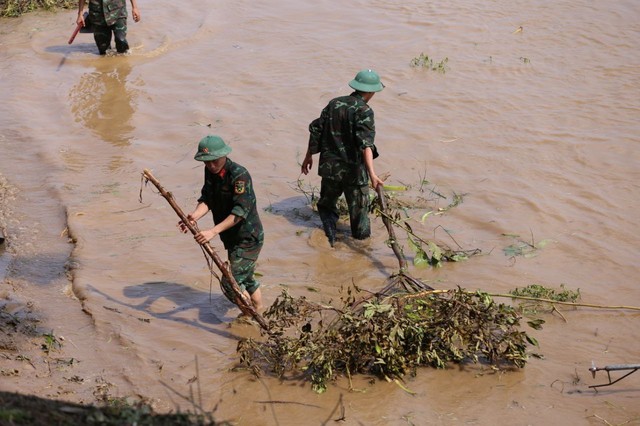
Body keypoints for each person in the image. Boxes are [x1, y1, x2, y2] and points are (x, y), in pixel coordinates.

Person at [178, 135, 264, 313]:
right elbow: (207, 199)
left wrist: (213, 231)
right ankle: (259, 309)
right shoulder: (211, 172)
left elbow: (240, 213)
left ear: (224, 155)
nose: (210, 165)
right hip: (231, 238)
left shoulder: (240, 176)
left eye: (214, 161)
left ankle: (250, 317)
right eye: (206, 162)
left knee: (229, 284)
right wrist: (193, 217)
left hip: (248, 238)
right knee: (246, 278)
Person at [301, 69, 385, 247]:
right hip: (353, 173)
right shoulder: (364, 111)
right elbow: (366, 145)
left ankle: (329, 239)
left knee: (327, 206)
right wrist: (372, 174)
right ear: (371, 92)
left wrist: (309, 156)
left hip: (330, 169)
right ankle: (361, 248)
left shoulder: (334, 103)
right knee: (359, 214)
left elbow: (315, 129)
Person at [77, 0, 141, 55]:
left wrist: (134, 8)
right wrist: (80, 14)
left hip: (118, 11)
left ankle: (124, 65)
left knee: (121, 40)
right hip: (98, 15)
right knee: (104, 51)